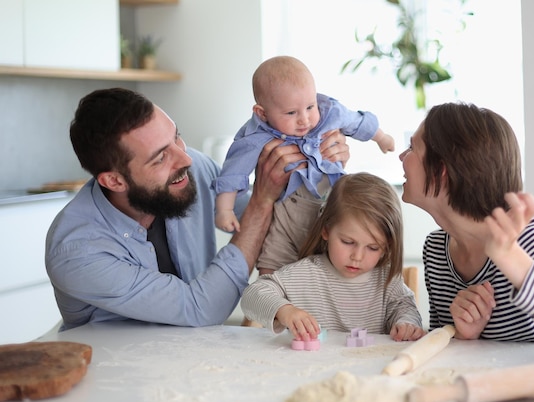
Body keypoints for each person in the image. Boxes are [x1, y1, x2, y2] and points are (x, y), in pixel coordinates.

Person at [45, 87, 349, 331]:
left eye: (176, 136)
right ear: (114, 180)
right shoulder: (77, 251)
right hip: (113, 371)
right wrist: (261, 200)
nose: (185, 159)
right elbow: (200, 308)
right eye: (160, 157)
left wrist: (319, 172)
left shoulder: (194, 171)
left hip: (192, 351)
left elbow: (275, 227)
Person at [399, 101, 534, 363]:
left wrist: (512, 258)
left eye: (412, 148)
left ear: (441, 170)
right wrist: (463, 336)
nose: (401, 157)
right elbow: (443, 354)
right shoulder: (435, 250)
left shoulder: (529, 238)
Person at [212, 56, 395, 275]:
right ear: (262, 112)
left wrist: (382, 138)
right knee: (272, 262)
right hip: (286, 212)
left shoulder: (328, 112)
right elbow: (233, 171)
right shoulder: (255, 136)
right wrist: (225, 209)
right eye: (291, 113)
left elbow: (355, 121)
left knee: (337, 261)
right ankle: (270, 300)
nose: (305, 119)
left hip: (330, 206)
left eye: (310, 106)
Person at [241, 172, 425, 343]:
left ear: (387, 246)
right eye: (347, 242)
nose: (357, 256)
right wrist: (285, 311)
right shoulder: (303, 275)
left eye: (373, 247)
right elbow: (252, 296)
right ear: (326, 230)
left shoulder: (388, 281)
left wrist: (406, 324)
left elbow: (406, 309)